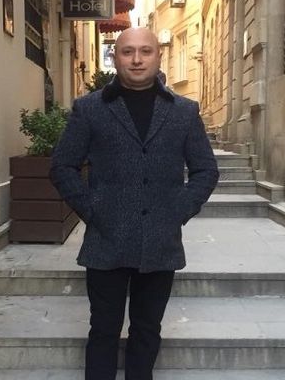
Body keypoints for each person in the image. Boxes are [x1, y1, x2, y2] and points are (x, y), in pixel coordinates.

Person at [50, 27, 219, 380]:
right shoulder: (90, 109)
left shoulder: (184, 111)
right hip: (106, 240)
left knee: (147, 329)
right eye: (128, 52)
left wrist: (178, 211)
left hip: (160, 241)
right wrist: (92, 211)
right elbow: (62, 166)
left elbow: (205, 170)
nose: (137, 59)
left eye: (146, 51)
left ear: (159, 55)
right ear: (115, 58)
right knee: (103, 330)